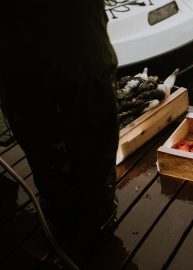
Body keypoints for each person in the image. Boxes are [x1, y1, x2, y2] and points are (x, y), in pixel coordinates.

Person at [0, 0, 119, 248]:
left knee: (56, 157)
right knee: (88, 155)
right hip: (78, 56)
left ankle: (77, 222)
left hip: (30, 64)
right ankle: (93, 223)